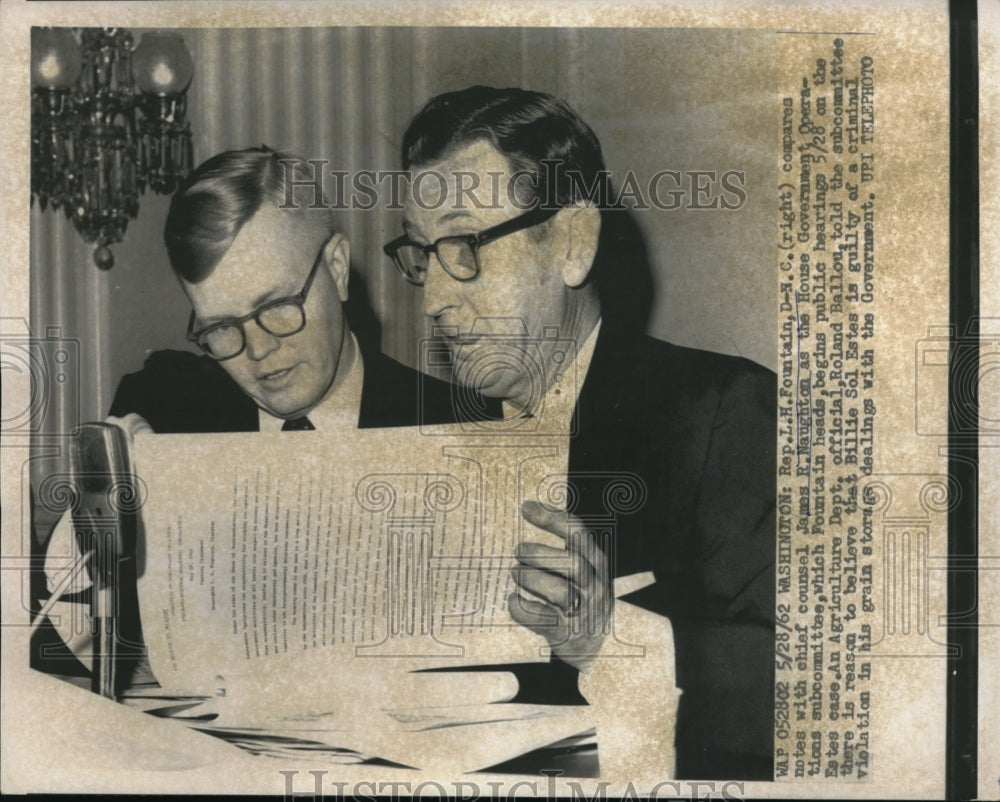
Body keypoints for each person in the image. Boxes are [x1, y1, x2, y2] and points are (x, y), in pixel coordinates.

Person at [386, 86, 777, 779]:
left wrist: (606, 640)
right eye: (421, 255)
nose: (436, 299)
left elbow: (804, 691)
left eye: (464, 246)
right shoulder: (428, 432)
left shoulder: (718, 413)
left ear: (571, 242)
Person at [34, 147, 495, 680]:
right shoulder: (165, 410)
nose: (257, 352)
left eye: (277, 307)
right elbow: (56, 652)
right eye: (221, 328)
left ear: (338, 270)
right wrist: (96, 518)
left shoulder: (462, 430)